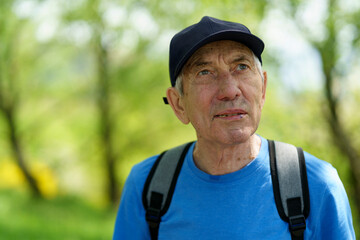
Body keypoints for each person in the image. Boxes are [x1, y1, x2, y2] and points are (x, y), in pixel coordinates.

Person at [113, 16, 355, 239]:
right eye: (205, 72)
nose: (229, 91)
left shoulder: (315, 185)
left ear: (262, 89)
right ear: (178, 104)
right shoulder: (148, 186)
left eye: (241, 67)